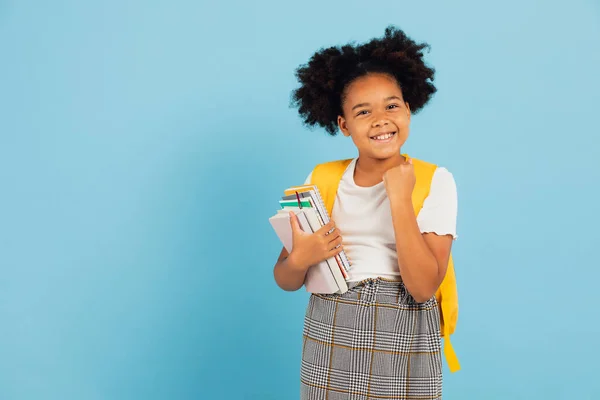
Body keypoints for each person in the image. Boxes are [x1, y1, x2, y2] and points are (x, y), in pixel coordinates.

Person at [273, 25, 458, 399]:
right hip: (330, 317)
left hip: (404, 320)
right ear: (343, 125)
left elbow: (423, 289)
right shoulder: (322, 178)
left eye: (392, 105)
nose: (380, 119)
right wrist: (301, 259)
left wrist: (400, 199)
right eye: (363, 111)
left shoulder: (434, 180)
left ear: (409, 107)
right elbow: (285, 278)